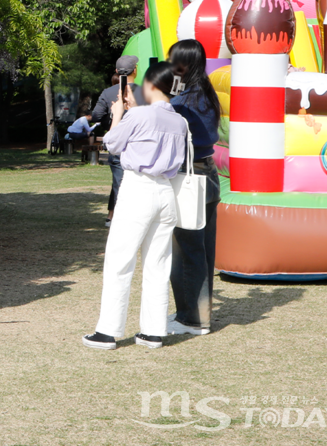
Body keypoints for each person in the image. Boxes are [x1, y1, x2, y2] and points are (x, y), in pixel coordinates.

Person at [83, 61, 189, 350]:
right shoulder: (180, 121)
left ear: (152, 86)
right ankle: (153, 331)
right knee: (157, 263)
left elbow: (113, 144)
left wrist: (118, 114)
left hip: (138, 188)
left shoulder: (139, 115)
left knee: (120, 260)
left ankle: (107, 331)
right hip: (166, 192)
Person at [166, 39, 223, 337]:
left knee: (186, 250)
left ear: (183, 65)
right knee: (203, 251)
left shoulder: (181, 104)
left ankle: (191, 319)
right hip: (210, 175)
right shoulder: (206, 94)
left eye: (172, 61)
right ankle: (200, 314)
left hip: (190, 178)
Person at [91, 56, 144, 226]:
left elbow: (96, 116)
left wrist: (112, 116)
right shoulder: (145, 92)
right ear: (135, 70)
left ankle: (115, 218)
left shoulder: (108, 92)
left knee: (118, 182)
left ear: (116, 71)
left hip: (117, 145)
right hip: (139, 146)